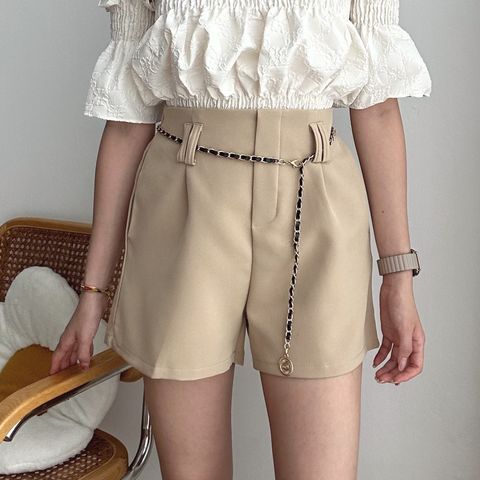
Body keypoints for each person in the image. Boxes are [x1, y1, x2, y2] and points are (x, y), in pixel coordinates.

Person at [50, 0, 430, 478]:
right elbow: (127, 123)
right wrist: (92, 294)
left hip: (316, 203)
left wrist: (398, 276)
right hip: (183, 205)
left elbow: (377, 110)